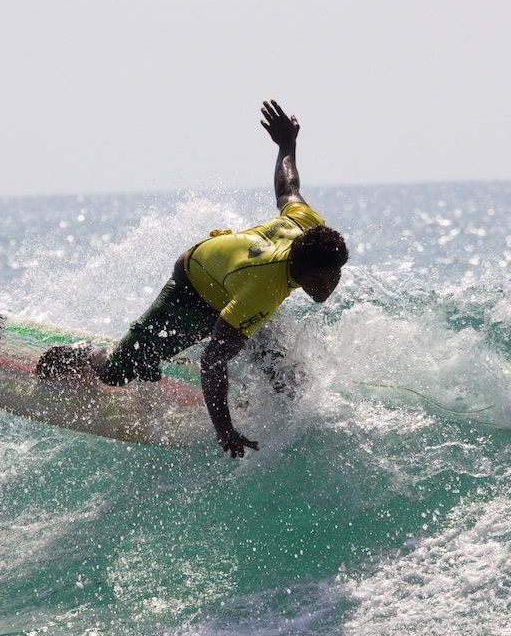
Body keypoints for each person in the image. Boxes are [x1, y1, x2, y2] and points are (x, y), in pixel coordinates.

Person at [35, 100, 348, 458]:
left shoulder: (307, 226)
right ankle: (86, 356)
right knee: (118, 374)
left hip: (233, 276)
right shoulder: (262, 293)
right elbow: (213, 360)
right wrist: (224, 429)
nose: (331, 285)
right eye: (323, 280)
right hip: (195, 287)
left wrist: (286, 146)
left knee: (285, 381)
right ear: (301, 268)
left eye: (335, 274)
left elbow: (287, 190)